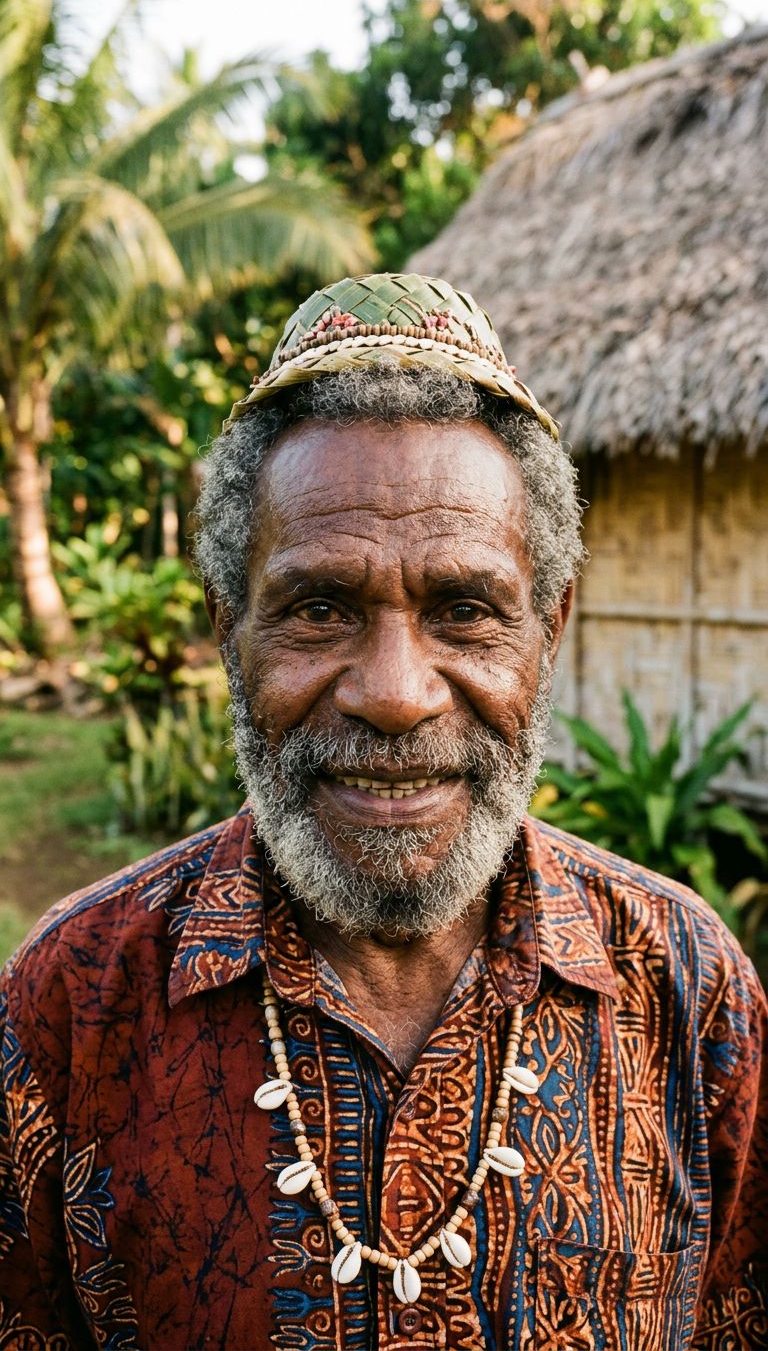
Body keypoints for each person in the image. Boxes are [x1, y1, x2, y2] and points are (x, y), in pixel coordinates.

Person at [1, 273, 765, 1351]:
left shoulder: (692, 992)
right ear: (230, 628)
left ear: (549, 625)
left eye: (463, 609)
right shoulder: (71, 1004)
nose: (397, 692)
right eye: (320, 608)